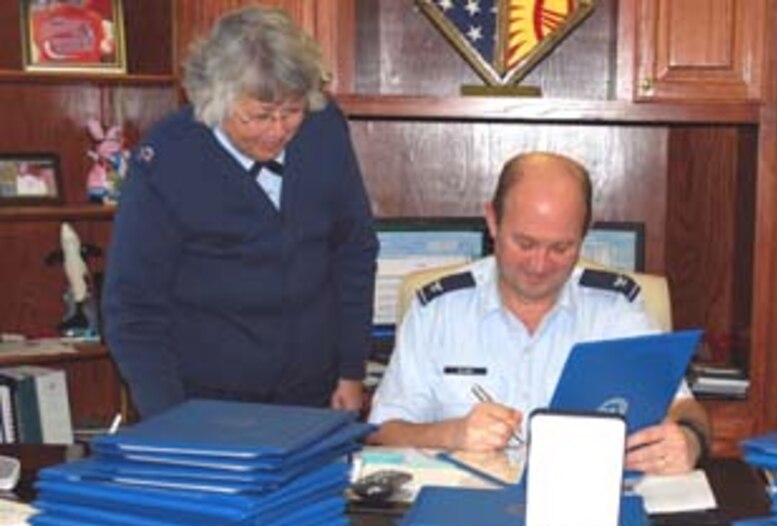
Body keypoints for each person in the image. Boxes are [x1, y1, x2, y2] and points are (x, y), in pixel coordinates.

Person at [104, 7, 378, 419]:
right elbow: (133, 308)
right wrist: (169, 420)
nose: (278, 130)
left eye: (292, 112)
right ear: (215, 99)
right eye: (259, 116)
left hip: (313, 393)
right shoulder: (166, 159)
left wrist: (350, 369)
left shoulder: (324, 130)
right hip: (204, 400)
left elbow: (353, 251)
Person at [367, 152, 710, 475]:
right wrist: (452, 434)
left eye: (561, 248)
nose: (539, 265)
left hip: (585, 516)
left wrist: (689, 441)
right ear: (492, 220)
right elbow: (383, 433)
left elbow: (684, 409)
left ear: (585, 233)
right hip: (466, 514)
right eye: (525, 244)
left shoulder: (617, 313)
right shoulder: (437, 311)